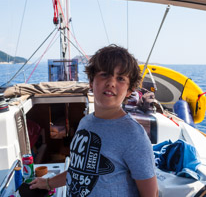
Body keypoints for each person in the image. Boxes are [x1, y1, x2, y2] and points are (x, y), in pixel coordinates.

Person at [30, 44, 158, 197]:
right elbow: (79, 171)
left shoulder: (134, 135)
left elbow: (151, 194)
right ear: (91, 82)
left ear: (130, 90)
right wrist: (48, 183)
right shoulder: (86, 122)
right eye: (105, 74)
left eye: (120, 78)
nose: (111, 82)